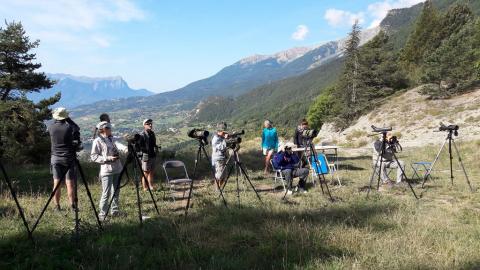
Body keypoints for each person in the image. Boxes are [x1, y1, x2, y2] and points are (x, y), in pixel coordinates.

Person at [48, 107, 79, 211]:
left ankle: (57, 206)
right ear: (65, 117)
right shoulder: (68, 128)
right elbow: (76, 128)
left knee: (56, 183)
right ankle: (72, 206)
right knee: (70, 183)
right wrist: (68, 119)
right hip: (68, 158)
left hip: (55, 158)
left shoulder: (51, 127)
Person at [91, 121, 124, 219]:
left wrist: (126, 148)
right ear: (104, 129)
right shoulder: (97, 141)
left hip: (117, 168)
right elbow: (93, 156)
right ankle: (102, 214)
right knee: (106, 193)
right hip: (106, 170)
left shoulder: (112, 139)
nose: (111, 129)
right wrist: (107, 158)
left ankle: (115, 211)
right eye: (109, 128)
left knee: (116, 191)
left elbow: (119, 145)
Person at [139, 119, 159, 191]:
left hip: (153, 155)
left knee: (151, 172)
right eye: (148, 124)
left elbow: (153, 144)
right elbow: (140, 147)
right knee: (146, 172)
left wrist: (156, 147)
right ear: (144, 125)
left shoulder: (152, 133)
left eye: (151, 123)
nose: (150, 125)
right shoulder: (142, 135)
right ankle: (145, 188)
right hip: (146, 157)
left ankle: (151, 186)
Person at [212, 122, 229, 187]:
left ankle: (219, 188)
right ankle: (217, 189)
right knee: (219, 175)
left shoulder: (221, 137)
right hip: (218, 158)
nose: (224, 133)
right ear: (219, 131)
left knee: (224, 175)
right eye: (223, 132)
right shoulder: (215, 139)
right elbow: (221, 147)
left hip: (223, 157)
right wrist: (226, 140)